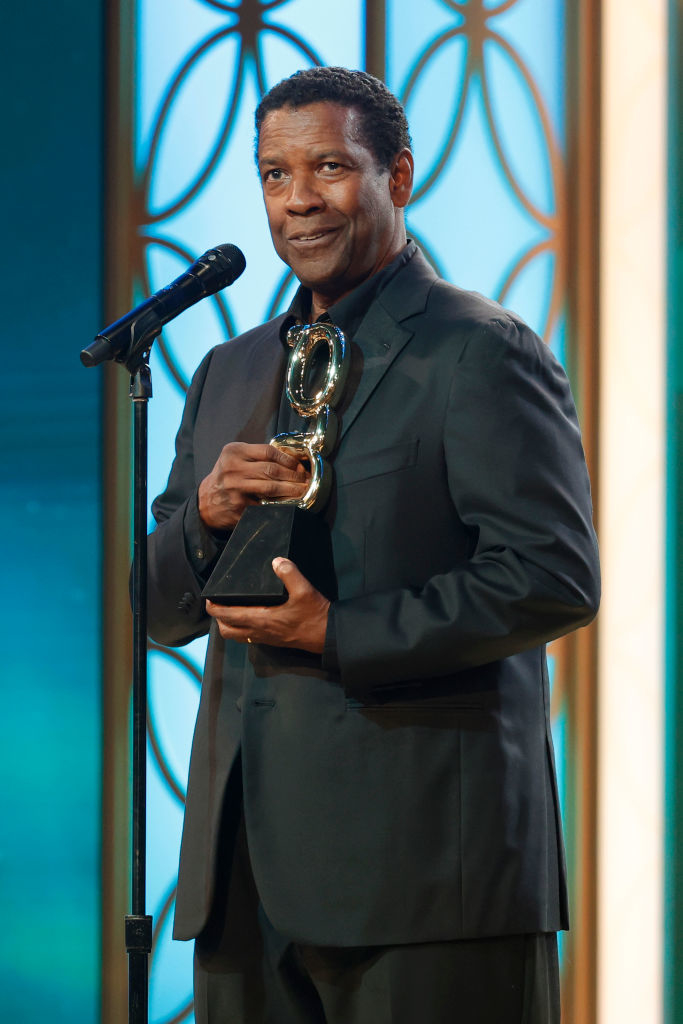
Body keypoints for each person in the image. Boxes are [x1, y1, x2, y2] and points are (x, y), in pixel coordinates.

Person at [147, 66, 600, 1023]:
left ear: (397, 177)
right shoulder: (228, 371)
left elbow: (551, 578)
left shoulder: (480, 349)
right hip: (243, 883)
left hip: (428, 876)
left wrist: (339, 633)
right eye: (273, 174)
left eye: (327, 168)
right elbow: (155, 611)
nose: (298, 199)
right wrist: (205, 521)